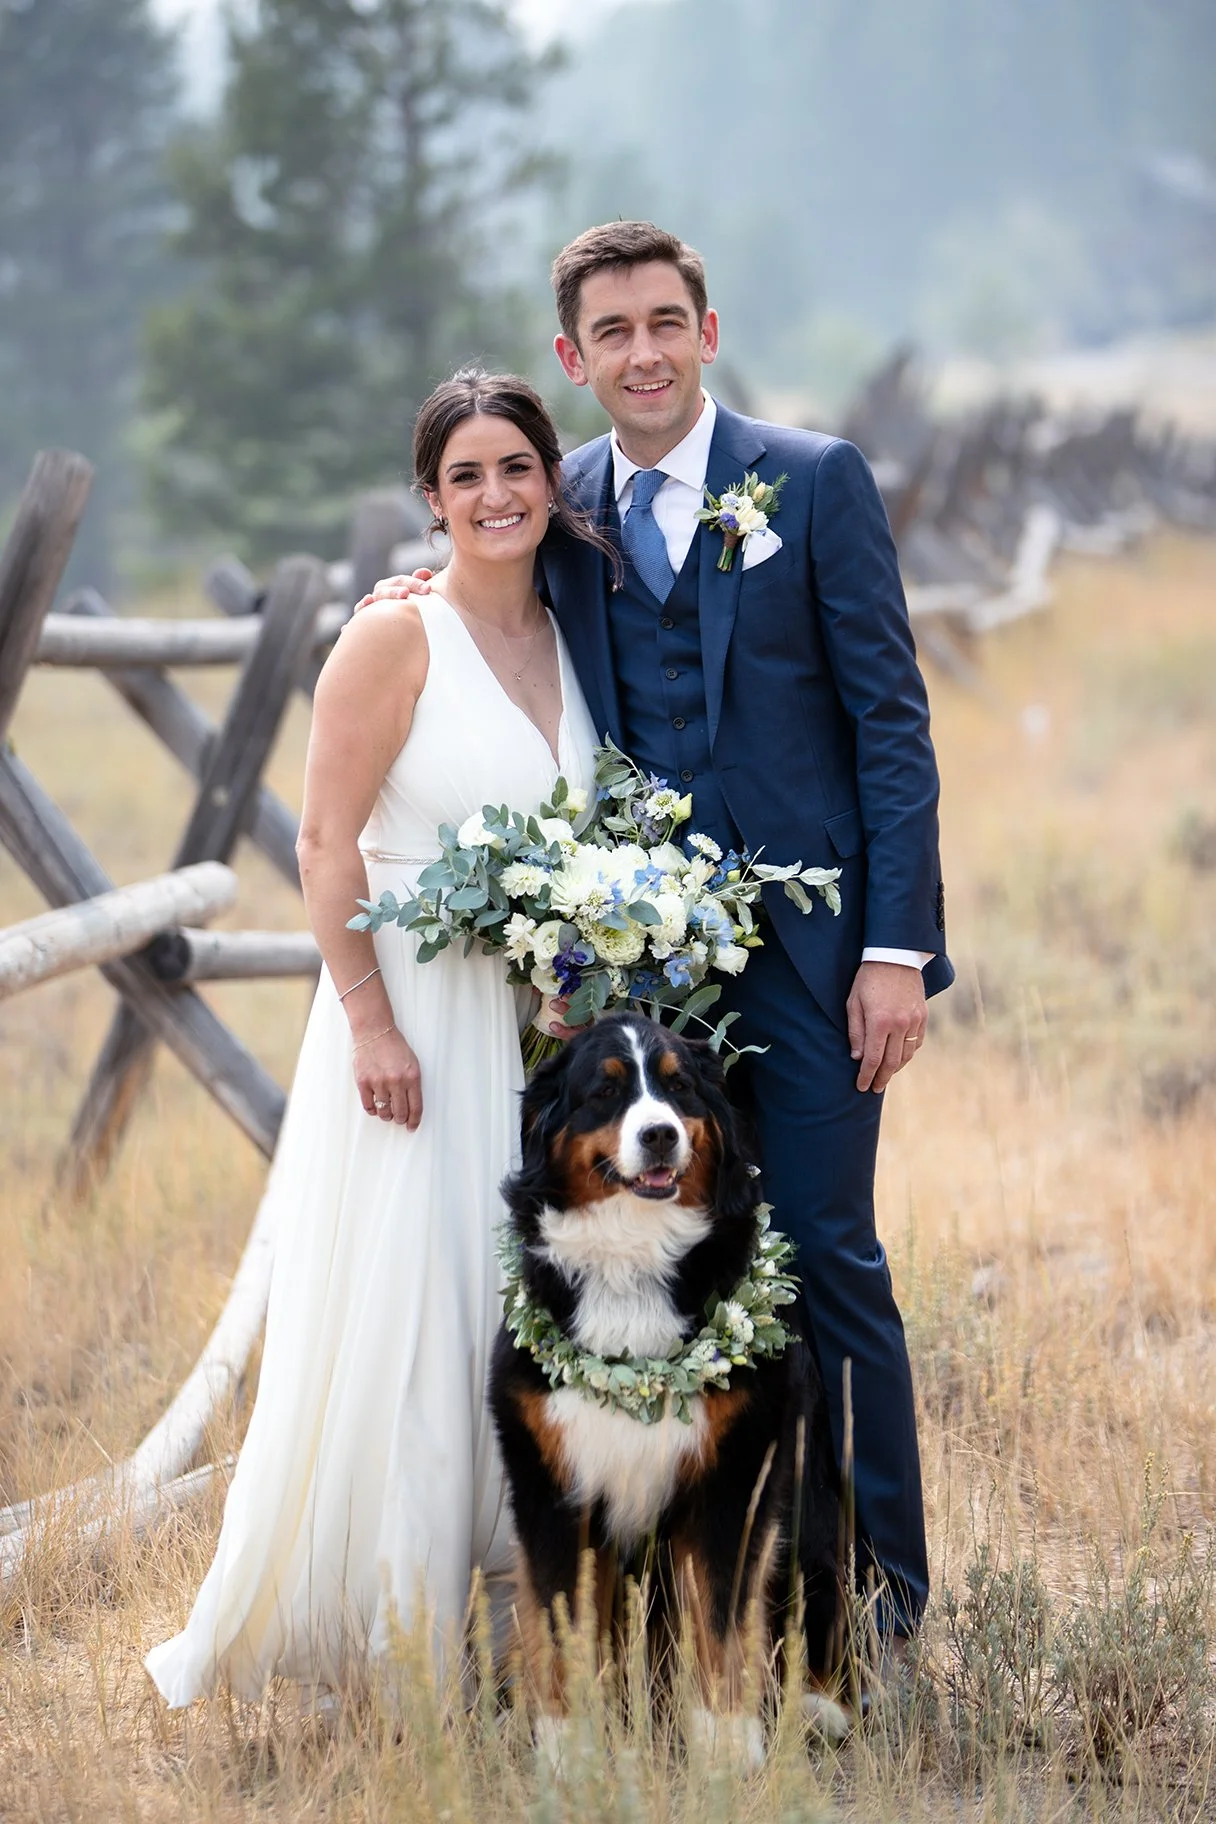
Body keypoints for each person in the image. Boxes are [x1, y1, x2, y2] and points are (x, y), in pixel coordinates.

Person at [363, 222, 953, 1661]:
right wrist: (402, 595)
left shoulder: (813, 484)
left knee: (823, 1259)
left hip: (816, 966)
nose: (641, 353)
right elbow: (474, 580)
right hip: (640, 988)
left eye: (664, 323)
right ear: (573, 356)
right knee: (658, 1276)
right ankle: (693, 1610)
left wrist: (895, 948)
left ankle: (878, 1607)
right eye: (610, 332)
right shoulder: (551, 497)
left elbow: (892, 725)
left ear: (706, 328)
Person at [144, 372, 601, 1707]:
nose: (496, 496)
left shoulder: (578, 627)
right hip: (408, 1016)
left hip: (529, 1028)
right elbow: (326, 838)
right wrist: (367, 1023)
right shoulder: (395, 637)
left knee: (505, 1306)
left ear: (550, 477)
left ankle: (515, 1612)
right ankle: (397, 1652)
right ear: (431, 500)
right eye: (466, 477)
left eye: (516, 467)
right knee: (415, 1308)